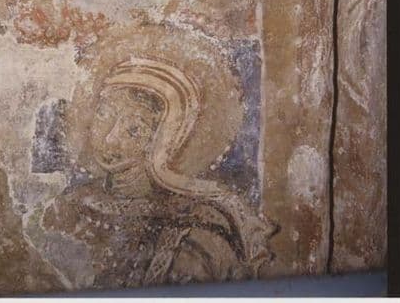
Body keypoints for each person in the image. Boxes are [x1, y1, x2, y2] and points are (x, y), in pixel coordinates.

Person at [38, 56, 276, 290]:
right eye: (104, 115)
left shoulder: (194, 228)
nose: (110, 138)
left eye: (134, 130)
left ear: (163, 140)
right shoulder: (69, 204)